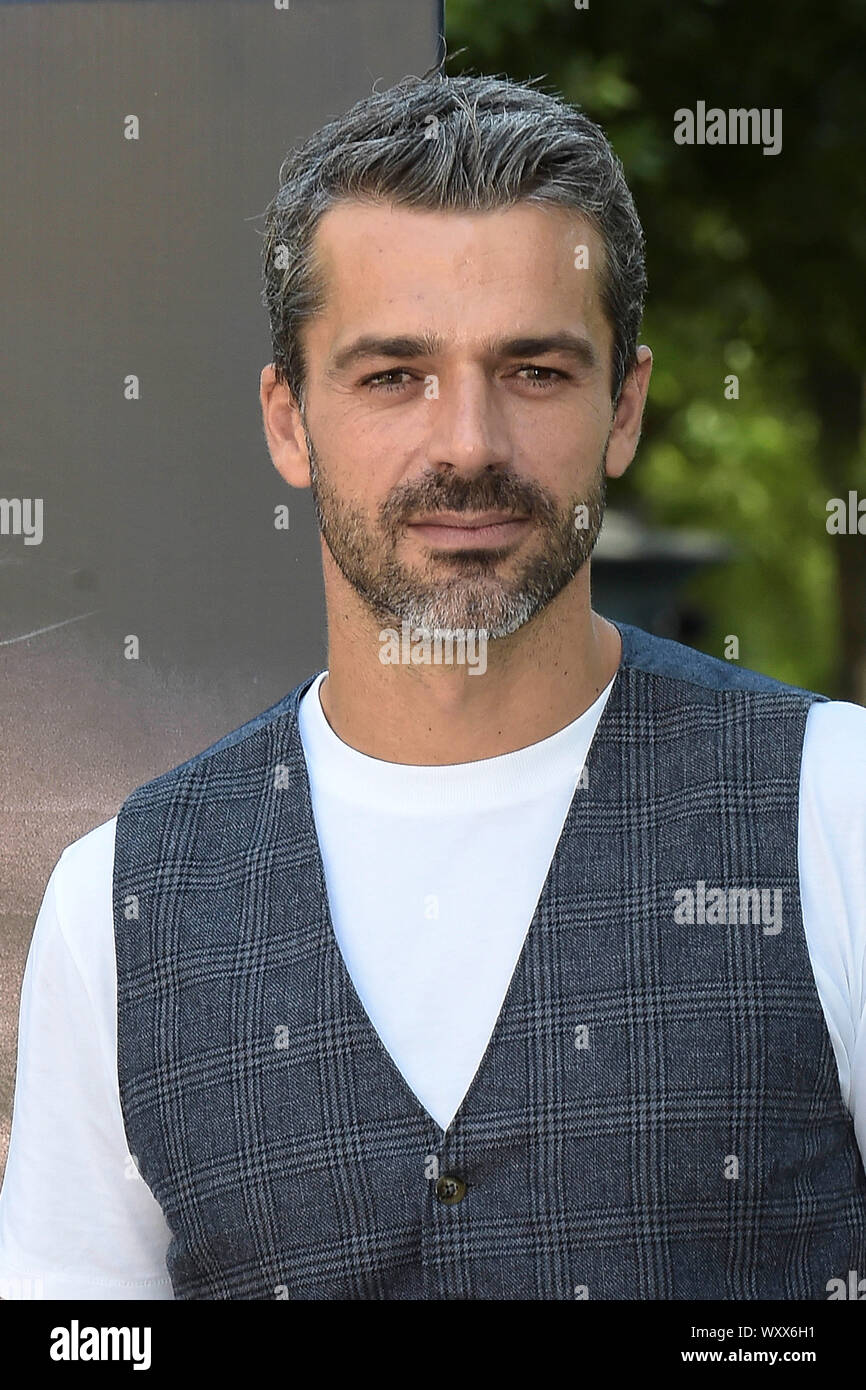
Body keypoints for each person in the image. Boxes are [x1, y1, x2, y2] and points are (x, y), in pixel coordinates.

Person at [2, 71, 865, 1302]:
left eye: (533, 369)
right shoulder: (118, 906)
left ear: (623, 407)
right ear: (288, 422)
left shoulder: (835, 808)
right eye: (392, 373)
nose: (466, 441)